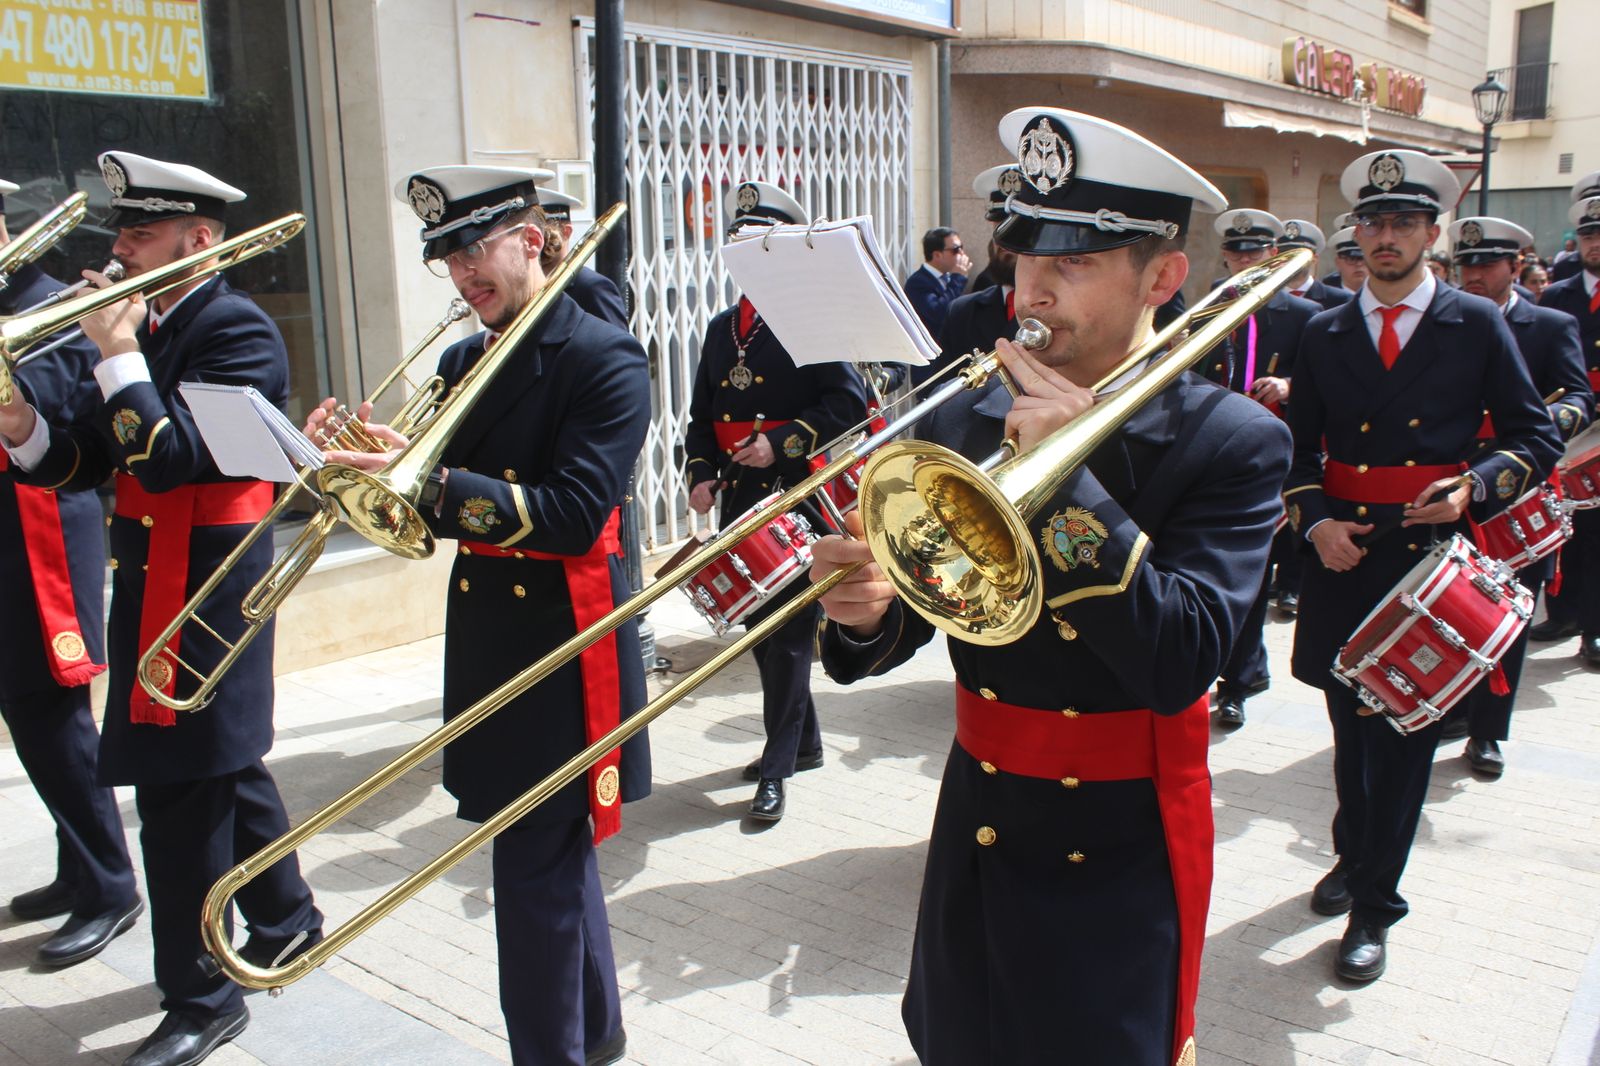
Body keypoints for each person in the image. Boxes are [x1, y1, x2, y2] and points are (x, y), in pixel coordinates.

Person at [811, 106, 1291, 1066]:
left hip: (1114, 852)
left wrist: (1066, 475)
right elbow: (916, 622)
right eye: (1024, 256)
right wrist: (864, 613)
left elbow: (1184, 660)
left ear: (1162, 276)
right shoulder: (969, 415)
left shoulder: (1229, 440)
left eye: (1073, 263)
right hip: (979, 825)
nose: (1034, 287)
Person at [312, 165, 649, 1065]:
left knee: (529, 866)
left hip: (564, 646)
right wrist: (377, 466)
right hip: (489, 641)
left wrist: (430, 479)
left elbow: (577, 513)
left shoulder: (601, 354)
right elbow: (430, 509)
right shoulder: (464, 359)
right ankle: (597, 1031)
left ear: (530, 240)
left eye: (474, 249)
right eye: (446, 258)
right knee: (547, 850)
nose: (461, 273)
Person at [0, 152, 324, 1066]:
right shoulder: (145, 328)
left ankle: (201, 995)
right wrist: (24, 427)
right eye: (123, 231)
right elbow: (91, 463)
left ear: (200, 240)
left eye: (139, 234)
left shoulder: (239, 330)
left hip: (215, 586)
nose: (119, 250)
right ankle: (288, 916)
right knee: (220, 765)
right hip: (152, 577)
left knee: (181, 796)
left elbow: (176, 460)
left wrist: (117, 354)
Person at [1286, 150, 1561, 983]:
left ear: (1431, 234)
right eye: (1373, 222)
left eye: (1403, 222)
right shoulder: (1324, 327)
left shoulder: (1475, 323)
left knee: (1401, 738)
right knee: (1345, 726)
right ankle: (1349, 855)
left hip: (1426, 561)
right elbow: (1295, 449)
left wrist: (1473, 486)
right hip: (1343, 555)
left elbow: (1535, 436)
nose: (1385, 237)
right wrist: (1317, 522)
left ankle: (1377, 905)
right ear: (1357, 234)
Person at [681, 180, 868, 823]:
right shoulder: (717, 327)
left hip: (794, 497)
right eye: (739, 246)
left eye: (761, 246)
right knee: (761, 633)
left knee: (786, 636)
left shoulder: (811, 320)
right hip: (740, 499)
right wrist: (700, 473)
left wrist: (781, 443)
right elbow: (700, 416)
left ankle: (778, 767)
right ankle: (807, 742)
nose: (747, 257)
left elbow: (849, 406)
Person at [0, 179, 141, 966]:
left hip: (44, 527)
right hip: (9, 531)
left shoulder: (50, 301)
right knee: (27, 714)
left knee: (53, 715)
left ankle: (111, 885)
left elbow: (56, 407)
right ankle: (75, 866)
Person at [1445, 215, 1592, 776]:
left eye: (1488, 264)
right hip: (1455, 479)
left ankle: (1488, 730)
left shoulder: (1549, 324)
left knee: (1510, 607)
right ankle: (1454, 703)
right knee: (1454, 603)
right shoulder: (1446, 318)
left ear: (1515, 266)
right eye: (1468, 265)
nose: (1476, 274)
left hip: (1518, 482)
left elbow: (1579, 395)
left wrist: (1543, 420)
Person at [1202, 209, 1321, 726]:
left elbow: (1325, 392)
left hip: (1273, 457)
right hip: (1210, 457)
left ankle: (1239, 682)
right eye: (1237, 253)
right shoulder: (1208, 311)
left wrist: (1290, 385)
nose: (1246, 261)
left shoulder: (1305, 316)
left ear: (1274, 257)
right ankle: (1220, 666)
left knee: (1250, 573)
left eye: (1256, 253)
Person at [1531, 194, 1600, 665]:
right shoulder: (1558, 294)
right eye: (1590, 236)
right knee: (1566, 523)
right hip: (1570, 426)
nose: (1596, 244)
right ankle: (1563, 612)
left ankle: (1594, 628)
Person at [936, 165, 1022, 372]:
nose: (1003, 241)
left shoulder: (1069, 310)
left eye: (1017, 229)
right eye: (998, 229)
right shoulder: (962, 312)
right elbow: (938, 388)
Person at [535, 184, 629, 327]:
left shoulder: (592, 288)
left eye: (547, 235)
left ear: (566, 232)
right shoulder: (529, 287)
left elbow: (617, 345)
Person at [902, 226, 969, 343]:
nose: (961, 253)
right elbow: (939, 314)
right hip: (932, 353)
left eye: (961, 247)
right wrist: (958, 279)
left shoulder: (949, 277)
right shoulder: (917, 282)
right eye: (955, 249)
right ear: (937, 255)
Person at [1278, 219, 1354, 311]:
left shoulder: (1341, 300)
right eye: (1285, 255)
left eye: (1299, 255)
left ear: (1314, 259)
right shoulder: (1266, 300)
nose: (1292, 260)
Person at [1328, 223, 1369, 292]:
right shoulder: (1325, 299)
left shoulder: (1387, 299)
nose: (1359, 264)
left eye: (1364, 258)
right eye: (1351, 259)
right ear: (1338, 263)